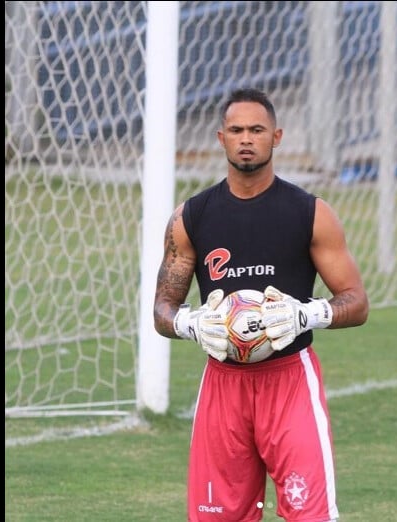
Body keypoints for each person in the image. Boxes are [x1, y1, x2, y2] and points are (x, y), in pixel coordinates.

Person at [153, 87, 369, 522]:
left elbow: (357, 302)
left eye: (257, 129)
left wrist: (308, 313)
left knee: (310, 515)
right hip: (223, 385)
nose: (246, 138)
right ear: (220, 138)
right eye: (236, 130)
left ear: (277, 136)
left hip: (290, 381)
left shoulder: (310, 212)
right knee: (216, 517)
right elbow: (162, 309)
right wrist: (189, 324)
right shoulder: (191, 217)